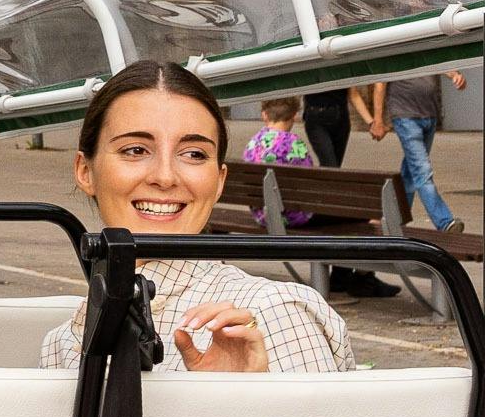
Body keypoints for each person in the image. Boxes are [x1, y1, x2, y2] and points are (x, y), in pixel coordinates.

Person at [42, 61, 349, 372]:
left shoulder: (269, 316)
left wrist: (251, 400)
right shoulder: (62, 344)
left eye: (194, 154)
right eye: (135, 150)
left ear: (218, 180)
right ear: (85, 170)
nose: (164, 177)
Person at [363, 67, 469, 233]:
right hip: (405, 116)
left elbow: (441, 63)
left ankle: (393, 219)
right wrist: (377, 120)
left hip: (429, 115)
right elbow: (380, 83)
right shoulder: (395, 46)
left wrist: (455, 75)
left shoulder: (425, 44)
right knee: (422, 171)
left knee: (411, 174)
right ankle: (444, 222)